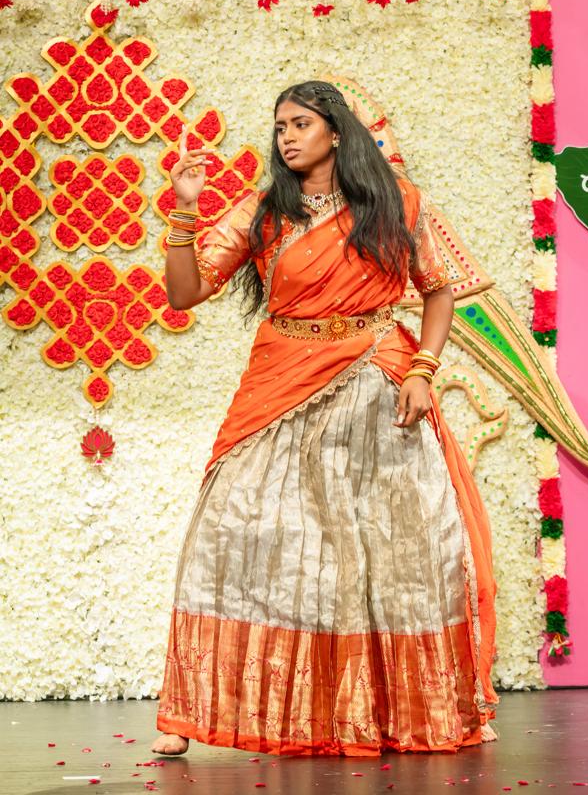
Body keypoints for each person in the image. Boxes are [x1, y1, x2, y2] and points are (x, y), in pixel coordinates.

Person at [150, 79, 498, 757]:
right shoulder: (265, 211)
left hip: (374, 382)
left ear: (336, 132)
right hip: (280, 381)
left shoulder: (397, 203)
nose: (287, 136)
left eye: (300, 123)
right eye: (280, 126)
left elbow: (438, 291)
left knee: (384, 551)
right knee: (231, 532)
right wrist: (185, 211)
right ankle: (190, 713)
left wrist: (424, 370)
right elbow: (185, 292)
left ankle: (383, 713)